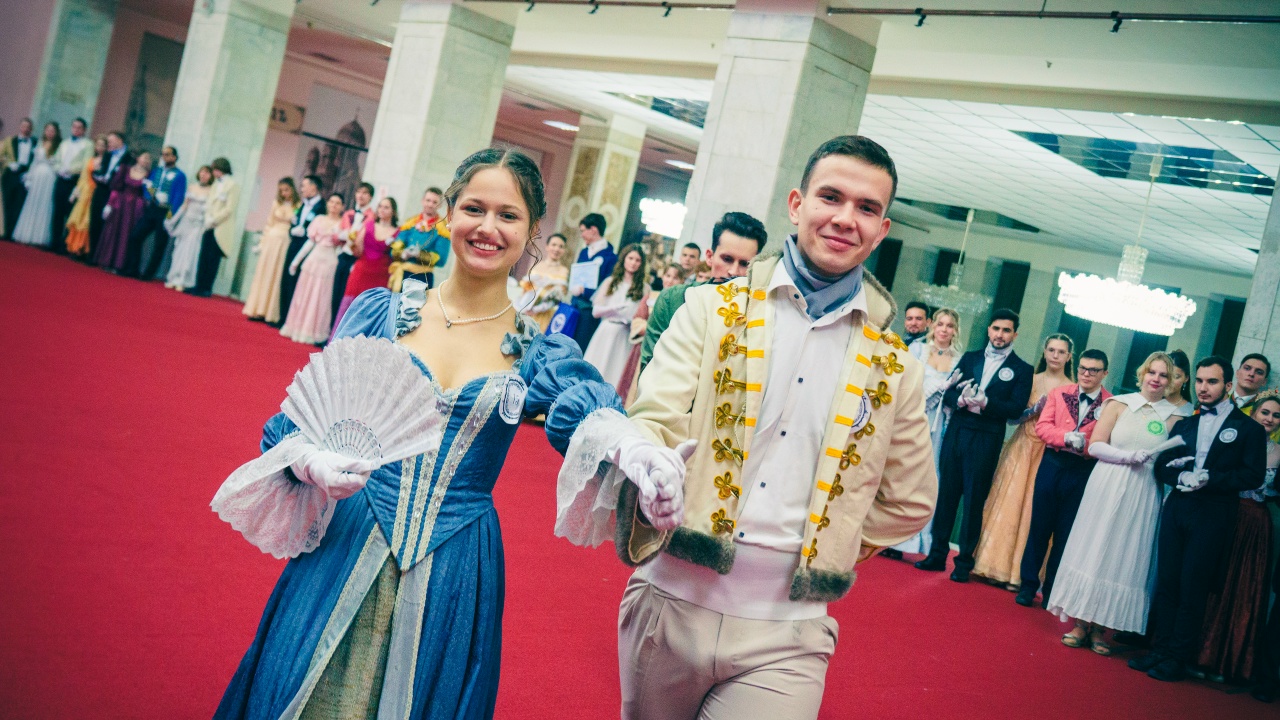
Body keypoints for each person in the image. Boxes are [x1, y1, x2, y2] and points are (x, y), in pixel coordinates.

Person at [212, 147, 683, 718]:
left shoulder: (537, 350)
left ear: (532, 231)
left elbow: (582, 409)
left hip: (456, 560)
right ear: (450, 213)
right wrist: (312, 460)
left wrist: (632, 447)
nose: (488, 227)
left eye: (508, 215)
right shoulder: (381, 315)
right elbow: (300, 420)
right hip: (350, 534)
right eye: (474, 208)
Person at [617, 135, 936, 719]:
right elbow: (652, 421)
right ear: (796, 204)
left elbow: (910, 501)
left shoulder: (895, 365)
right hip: (670, 600)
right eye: (831, 197)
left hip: (789, 632)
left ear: (882, 229)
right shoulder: (710, 312)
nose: (846, 218)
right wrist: (657, 473)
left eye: (867, 208)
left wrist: (829, 536)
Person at [1131, 356, 1268, 682]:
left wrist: (1211, 478)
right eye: (1200, 381)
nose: (1203, 388)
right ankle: (1159, 649)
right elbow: (1161, 465)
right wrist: (1180, 477)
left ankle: (1178, 658)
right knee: (1167, 581)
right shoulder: (1185, 424)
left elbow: (1252, 475)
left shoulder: (1248, 429)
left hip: (1213, 512)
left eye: (1212, 382)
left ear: (1228, 385)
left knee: (1192, 586)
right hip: (1178, 507)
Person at [1046, 352, 1191, 655]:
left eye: (1164, 375)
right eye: (1151, 372)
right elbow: (1095, 445)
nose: (1156, 379)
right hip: (1107, 482)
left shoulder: (1177, 417)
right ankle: (1080, 622)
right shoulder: (1118, 403)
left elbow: (1170, 460)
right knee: (1094, 547)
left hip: (1144, 490)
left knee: (1124, 553)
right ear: (1142, 374)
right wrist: (1127, 456)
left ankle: (1101, 628)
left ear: (1171, 382)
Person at [915, 309, 1034, 581]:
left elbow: (1015, 408)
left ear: (1015, 334)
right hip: (957, 431)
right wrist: (958, 400)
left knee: (973, 500)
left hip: (986, 437)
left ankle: (963, 563)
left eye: (1006, 330)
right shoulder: (970, 357)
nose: (999, 335)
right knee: (946, 495)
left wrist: (986, 403)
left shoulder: (1022, 369)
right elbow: (948, 393)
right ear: (989, 330)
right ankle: (936, 554)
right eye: (996, 329)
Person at [973, 334, 1075, 589]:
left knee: (1033, 509)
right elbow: (1012, 418)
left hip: (1048, 452)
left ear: (1068, 357)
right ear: (1044, 352)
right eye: (1051, 350)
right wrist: (1033, 411)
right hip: (1021, 446)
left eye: (1061, 352)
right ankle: (991, 564)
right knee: (1007, 501)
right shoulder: (1031, 378)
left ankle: (1020, 575)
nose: (1055, 355)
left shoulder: (1072, 389)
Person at [1014, 349, 1113, 608]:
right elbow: (1042, 426)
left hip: (1083, 470)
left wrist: (1086, 445)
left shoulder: (1111, 404)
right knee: (1039, 527)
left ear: (1104, 373)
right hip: (1053, 463)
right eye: (1082, 368)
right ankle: (1027, 586)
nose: (1086, 374)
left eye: (1093, 370)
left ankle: (1053, 591)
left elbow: (1109, 441)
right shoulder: (1060, 393)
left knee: (1066, 533)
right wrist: (1065, 437)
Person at [1197, 395, 1279, 686]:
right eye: (1265, 412)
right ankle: (1196, 653)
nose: (1269, 419)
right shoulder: (1234, 441)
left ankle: (1227, 661)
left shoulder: (1279, 452)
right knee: (1212, 580)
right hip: (1226, 515)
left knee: (1244, 589)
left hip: (1256, 524)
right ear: (1253, 414)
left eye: (1276, 415)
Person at [638, 211, 768, 373]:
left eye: (744, 264)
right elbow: (649, 366)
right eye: (727, 259)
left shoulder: (759, 315)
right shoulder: (673, 299)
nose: (734, 271)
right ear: (709, 257)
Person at [884, 307, 963, 559]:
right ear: (932, 326)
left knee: (925, 478)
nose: (944, 330)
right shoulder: (917, 350)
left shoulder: (960, 359)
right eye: (940, 324)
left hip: (938, 425)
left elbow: (955, 397)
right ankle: (885, 536)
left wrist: (951, 393)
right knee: (900, 472)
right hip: (911, 417)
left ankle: (909, 541)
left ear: (955, 330)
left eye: (949, 326)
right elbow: (904, 381)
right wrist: (936, 387)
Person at [279, 193, 346, 345]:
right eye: (331, 202)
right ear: (327, 204)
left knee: (322, 297)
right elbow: (310, 242)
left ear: (342, 207)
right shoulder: (319, 219)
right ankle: (296, 327)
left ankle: (315, 332)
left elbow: (342, 247)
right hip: (313, 258)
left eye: (337, 203)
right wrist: (296, 261)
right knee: (304, 294)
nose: (334, 205)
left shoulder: (343, 224)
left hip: (330, 261)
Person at [617, 264, 687, 404]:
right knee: (632, 387)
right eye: (668, 276)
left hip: (665, 353)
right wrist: (654, 328)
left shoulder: (682, 303)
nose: (670, 280)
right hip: (642, 349)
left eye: (675, 278)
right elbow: (637, 321)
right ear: (663, 277)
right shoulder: (651, 296)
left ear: (682, 281)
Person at [583, 244, 647, 389]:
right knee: (598, 365)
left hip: (626, 334)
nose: (633, 263)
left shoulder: (644, 288)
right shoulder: (610, 282)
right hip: (607, 329)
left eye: (637, 260)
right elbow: (595, 311)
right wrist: (613, 309)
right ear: (624, 259)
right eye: (630, 258)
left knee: (617, 371)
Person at [331, 196, 398, 334]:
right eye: (380, 206)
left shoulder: (398, 231)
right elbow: (358, 251)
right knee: (350, 305)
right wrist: (351, 242)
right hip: (361, 271)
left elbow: (396, 256)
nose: (382, 210)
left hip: (381, 275)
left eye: (386, 207)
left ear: (393, 211)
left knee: (374, 309)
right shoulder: (368, 225)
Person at [123, 145, 186, 279]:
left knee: (159, 244)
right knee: (135, 236)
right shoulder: (157, 171)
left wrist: (170, 216)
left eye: (167, 154)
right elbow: (148, 186)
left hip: (165, 211)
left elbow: (178, 198)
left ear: (174, 157)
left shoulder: (180, 175)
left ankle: (148, 274)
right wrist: (151, 196)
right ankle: (133, 268)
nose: (164, 157)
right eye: (163, 154)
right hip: (152, 208)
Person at [241, 178, 300, 321]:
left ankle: (271, 313)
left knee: (277, 275)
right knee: (265, 272)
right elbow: (269, 224)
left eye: (286, 190)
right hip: (272, 240)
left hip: (285, 241)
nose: (284, 193)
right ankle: (258, 309)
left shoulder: (298, 205)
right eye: (281, 190)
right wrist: (262, 243)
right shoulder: (276, 203)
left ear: (292, 189)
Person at [187, 157, 239, 297]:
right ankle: (198, 285)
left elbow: (229, 209)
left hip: (220, 226)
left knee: (213, 259)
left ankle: (206, 288)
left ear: (220, 169)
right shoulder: (216, 183)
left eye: (214, 169)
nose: (213, 172)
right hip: (209, 225)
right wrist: (208, 218)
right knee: (203, 256)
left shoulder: (232, 185)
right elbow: (210, 202)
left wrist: (214, 220)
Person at [93, 151, 151, 272]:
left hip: (135, 207)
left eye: (148, 159)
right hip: (120, 204)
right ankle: (107, 260)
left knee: (127, 234)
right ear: (138, 158)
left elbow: (150, 193)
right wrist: (110, 203)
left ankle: (120, 265)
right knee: (114, 231)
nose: (146, 160)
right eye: (144, 157)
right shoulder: (125, 169)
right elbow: (116, 187)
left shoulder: (150, 175)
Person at [278, 175, 324, 320]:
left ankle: (291, 319)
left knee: (297, 281)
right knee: (286, 278)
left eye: (304, 186)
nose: (302, 189)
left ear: (313, 187)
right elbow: (296, 221)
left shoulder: (321, 207)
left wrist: (304, 233)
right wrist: (292, 229)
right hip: (294, 244)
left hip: (307, 248)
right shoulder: (303, 204)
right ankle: (282, 317)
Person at [569, 212, 616, 349]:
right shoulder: (584, 252)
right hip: (575, 305)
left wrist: (586, 291)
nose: (582, 235)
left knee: (579, 346)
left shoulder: (611, 257)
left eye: (583, 231)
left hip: (590, 311)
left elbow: (608, 286)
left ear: (594, 230)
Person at [163, 165, 214, 291]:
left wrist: (205, 225)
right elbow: (184, 205)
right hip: (186, 222)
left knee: (190, 253)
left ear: (211, 176)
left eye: (207, 173)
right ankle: (173, 278)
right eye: (202, 172)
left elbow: (209, 211)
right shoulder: (192, 187)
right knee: (178, 251)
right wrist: (173, 219)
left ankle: (183, 280)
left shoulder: (212, 191)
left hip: (197, 225)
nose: (204, 175)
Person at [390, 186, 450, 290]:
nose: (430, 204)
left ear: (440, 205)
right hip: (402, 274)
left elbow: (441, 260)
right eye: (428, 200)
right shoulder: (410, 223)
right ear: (422, 201)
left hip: (422, 278)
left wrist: (419, 255)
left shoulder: (443, 229)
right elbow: (394, 250)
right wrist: (402, 253)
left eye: (435, 202)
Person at [12, 121, 61, 248]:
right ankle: (26, 234)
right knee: (32, 203)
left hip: (49, 177)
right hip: (37, 176)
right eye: (48, 130)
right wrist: (29, 178)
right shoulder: (39, 143)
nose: (50, 133)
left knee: (44, 204)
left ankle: (39, 237)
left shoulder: (59, 146)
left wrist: (53, 164)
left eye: (52, 131)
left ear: (56, 133)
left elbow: (59, 163)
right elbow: (34, 162)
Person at [332, 182, 376, 324]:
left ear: (370, 197)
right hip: (343, 255)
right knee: (336, 292)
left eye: (365, 193)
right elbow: (336, 237)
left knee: (348, 295)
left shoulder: (373, 217)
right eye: (359, 192)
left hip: (358, 258)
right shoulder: (348, 214)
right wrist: (341, 235)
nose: (360, 196)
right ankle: (332, 327)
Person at [51, 117, 92, 252]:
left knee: (70, 213)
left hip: (74, 181)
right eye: (74, 127)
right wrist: (59, 169)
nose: (76, 130)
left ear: (84, 130)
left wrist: (71, 170)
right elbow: (56, 160)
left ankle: (66, 244)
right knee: (57, 211)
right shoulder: (64, 143)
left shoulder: (87, 144)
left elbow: (86, 164)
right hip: (61, 179)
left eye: (79, 127)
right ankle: (54, 242)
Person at [89, 132, 133, 254]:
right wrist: (98, 175)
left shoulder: (129, 158)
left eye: (111, 141)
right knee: (95, 220)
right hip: (101, 189)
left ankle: (103, 254)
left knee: (109, 225)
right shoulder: (107, 155)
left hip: (115, 193)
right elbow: (100, 170)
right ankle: (92, 253)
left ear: (120, 141)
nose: (108, 144)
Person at [517, 232, 570, 330]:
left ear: (564, 250)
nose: (556, 249)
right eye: (554, 245)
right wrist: (523, 307)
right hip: (525, 312)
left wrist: (536, 309)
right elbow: (525, 290)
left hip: (545, 315)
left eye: (561, 246)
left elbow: (557, 296)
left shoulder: (563, 271)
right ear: (547, 246)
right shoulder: (536, 265)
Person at [64, 136, 106, 258]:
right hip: (85, 190)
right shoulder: (91, 160)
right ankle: (73, 247)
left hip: (95, 192)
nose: (100, 147)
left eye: (103, 145)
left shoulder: (106, 161)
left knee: (87, 221)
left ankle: (83, 248)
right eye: (98, 145)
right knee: (78, 217)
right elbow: (83, 176)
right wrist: (77, 190)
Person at [1, 117, 36, 239]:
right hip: (10, 175)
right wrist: (9, 164)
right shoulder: (10, 140)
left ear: (31, 129)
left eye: (28, 127)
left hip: (24, 176)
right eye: (23, 126)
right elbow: (1, 156)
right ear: (20, 127)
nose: (25, 129)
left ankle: (11, 233)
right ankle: (3, 231)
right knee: (6, 202)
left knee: (19, 204)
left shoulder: (35, 142)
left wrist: (29, 173)